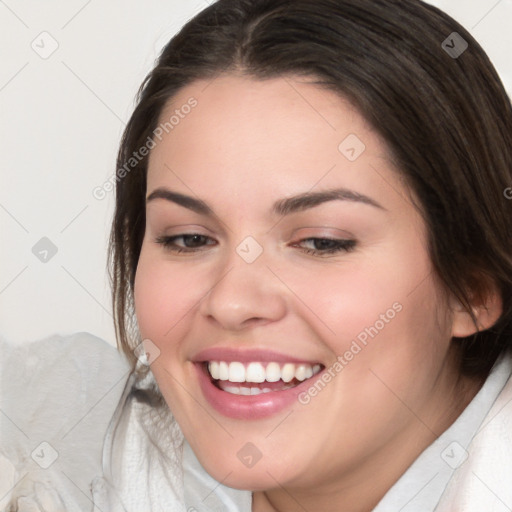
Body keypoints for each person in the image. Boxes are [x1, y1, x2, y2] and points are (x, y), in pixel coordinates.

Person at [2, 0, 511, 511]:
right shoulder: (59, 452)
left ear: (471, 287)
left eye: (321, 242)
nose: (231, 301)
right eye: (188, 239)